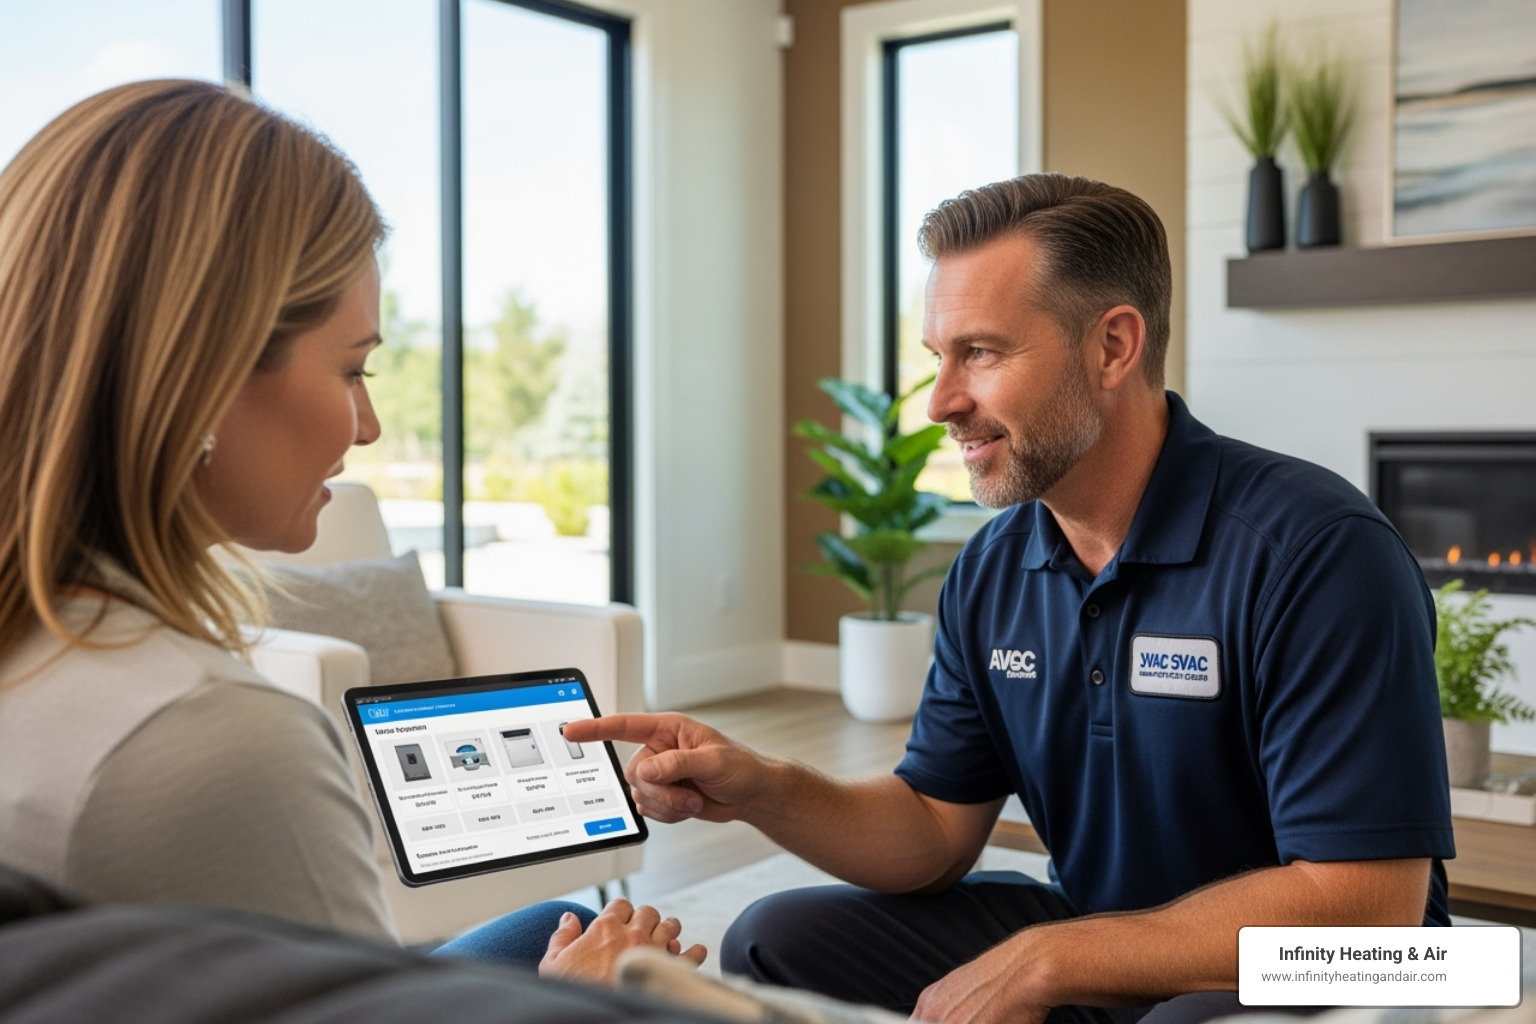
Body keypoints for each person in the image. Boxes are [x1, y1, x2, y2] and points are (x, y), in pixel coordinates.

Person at [565, 174, 1454, 1023]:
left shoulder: (1317, 552)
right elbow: (932, 828)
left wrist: (1050, 960)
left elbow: (1370, 912)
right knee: (774, 938)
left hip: (1337, 969)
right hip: (1106, 937)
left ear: (1114, 345)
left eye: (980, 353)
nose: (941, 403)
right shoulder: (994, 568)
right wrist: (760, 787)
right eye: (939, 359)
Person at [0, 78, 701, 982]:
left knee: (554, 919)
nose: (365, 428)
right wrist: (579, 1001)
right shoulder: (212, 740)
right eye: (353, 370)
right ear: (206, 372)